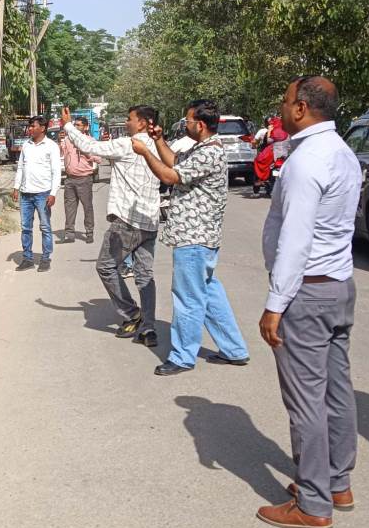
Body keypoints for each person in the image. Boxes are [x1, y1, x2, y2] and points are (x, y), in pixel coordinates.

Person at [255, 76, 361, 528]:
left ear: (300, 108)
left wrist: (275, 304)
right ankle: (337, 483)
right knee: (337, 392)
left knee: (306, 400)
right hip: (338, 286)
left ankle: (314, 502)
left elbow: (296, 239)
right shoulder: (343, 152)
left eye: (284, 101)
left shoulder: (307, 161)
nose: (280, 108)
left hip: (307, 292)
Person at [132, 99, 250, 376]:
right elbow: (175, 161)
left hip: (194, 238)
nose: (184, 124)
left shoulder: (209, 153)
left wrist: (146, 153)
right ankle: (234, 349)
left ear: (200, 124)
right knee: (208, 293)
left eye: (187, 120)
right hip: (199, 237)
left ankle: (183, 356)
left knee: (187, 298)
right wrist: (159, 142)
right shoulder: (203, 148)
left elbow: (171, 176)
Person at [61, 105, 162, 346]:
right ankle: (148, 327)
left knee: (106, 267)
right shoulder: (161, 146)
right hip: (150, 221)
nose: (126, 123)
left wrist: (67, 125)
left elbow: (91, 147)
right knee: (145, 276)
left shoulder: (128, 144)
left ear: (142, 123)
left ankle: (132, 313)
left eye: (130, 119)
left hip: (127, 222)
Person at [11, 116, 61, 272]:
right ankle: (27, 258)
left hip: (43, 194)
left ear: (43, 128)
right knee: (26, 227)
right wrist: (16, 187)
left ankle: (46, 258)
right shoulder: (26, 145)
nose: (30, 129)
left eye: (33, 126)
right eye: (30, 126)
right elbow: (20, 168)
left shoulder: (51, 146)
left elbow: (56, 172)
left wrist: (53, 193)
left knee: (45, 227)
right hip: (26, 194)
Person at [58, 116, 100, 244]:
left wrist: (86, 151)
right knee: (69, 207)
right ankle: (69, 234)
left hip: (84, 179)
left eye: (79, 125)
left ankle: (89, 232)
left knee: (87, 207)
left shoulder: (90, 141)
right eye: (74, 125)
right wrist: (60, 142)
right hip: (70, 179)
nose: (76, 127)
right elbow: (60, 154)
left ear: (85, 127)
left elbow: (98, 159)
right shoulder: (67, 140)